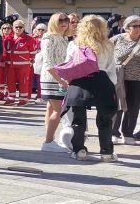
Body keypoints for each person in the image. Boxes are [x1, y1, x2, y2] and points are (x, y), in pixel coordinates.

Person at [61, 15, 118, 162]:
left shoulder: (74, 44)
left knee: (78, 119)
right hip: (102, 81)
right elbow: (111, 68)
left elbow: (69, 64)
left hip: (79, 82)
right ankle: (106, 151)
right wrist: (111, 85)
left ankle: (79, 150)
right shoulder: (108, 45)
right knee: (105, 118)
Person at [37, 13, 71, 152]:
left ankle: (49, 139)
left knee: (51, 109)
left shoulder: (63, 38)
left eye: (66, 20)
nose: (64, 22)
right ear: (53, 22)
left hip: (58, 77)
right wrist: (61, 80)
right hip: (53, 78)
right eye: (60, 20)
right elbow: (49, 62)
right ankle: (48, 141)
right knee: (58, 110)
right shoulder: (48, 38)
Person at [112, 16, 140, 144]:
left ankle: (128, 133)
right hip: (119, 77)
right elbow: (104, 51)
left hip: (137, 78)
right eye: (135, 26)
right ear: (127, 28)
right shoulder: (118, 39)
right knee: (117, 104)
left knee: (133, 106)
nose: (138, 29)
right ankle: (113, 133)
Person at [3, 19, 37, 105]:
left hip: (23, 65)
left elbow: (33, 53)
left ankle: (23, 99)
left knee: (23, 82)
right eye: (16, 27)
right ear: (13, 28)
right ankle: (11, 98)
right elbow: (5, 51)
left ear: (23, 28)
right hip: (10, 65)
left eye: (20, 27)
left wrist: (29, 61)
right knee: (10, 81)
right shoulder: (8, 38)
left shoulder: (29, 39)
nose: (18, 29)